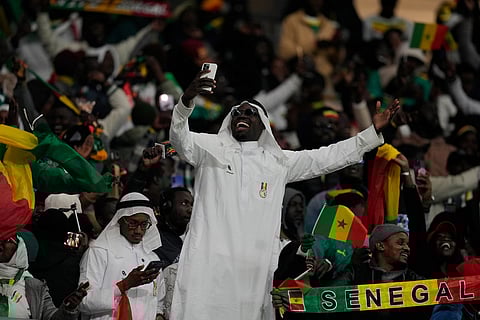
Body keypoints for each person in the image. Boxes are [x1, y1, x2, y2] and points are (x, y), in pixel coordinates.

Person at [168, 69, 399, 320]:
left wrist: (370, 133)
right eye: (236, 113)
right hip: (209, 262)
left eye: (249, 113)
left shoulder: (278, 163)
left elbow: (327, 157)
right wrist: (186, 102)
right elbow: (179, 139)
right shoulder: (210, 148)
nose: (241, 115)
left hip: (253, 271)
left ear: (264, 125)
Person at [78, 192, 164, 320]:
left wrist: (158, 315)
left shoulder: (152, 258)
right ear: (120, 220)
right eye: (133, 223)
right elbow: (83, 301)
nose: (138, 230)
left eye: (144, 224)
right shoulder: (99, 252)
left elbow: (159, 302)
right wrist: (124, 285)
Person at [0, 234, 88, 319]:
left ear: (19, 250)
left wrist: (69, 308)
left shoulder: (35, 287)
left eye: (7, 240)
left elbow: (52, 317)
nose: (1, 243)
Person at [154, 187, 194, 267]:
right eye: (184, 203)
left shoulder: (191, 233)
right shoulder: (157, 237)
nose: (190, 210)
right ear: (167, 206)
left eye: (191, 205)